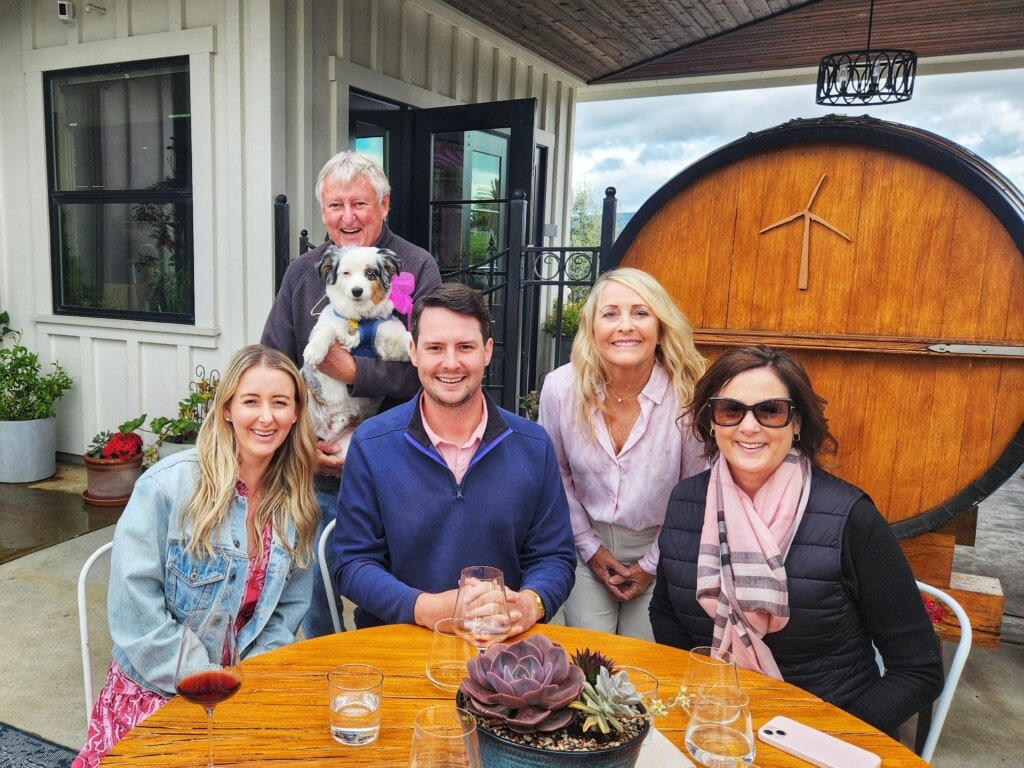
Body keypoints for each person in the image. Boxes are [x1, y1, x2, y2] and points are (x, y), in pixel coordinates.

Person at [650, 344, 944, 736]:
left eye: (770, 411)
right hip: (717, 723)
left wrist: (829, 737)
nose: (749, 426)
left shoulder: (850, 517)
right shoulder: (687, 502)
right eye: (730, 409)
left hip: (825, 731)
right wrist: (699, 695)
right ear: (712, 421)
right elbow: (666, 613)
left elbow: (918, 668)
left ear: (798, 422)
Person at [73, 345, 320, 768]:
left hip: (242, 691)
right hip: (159, 690)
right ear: (226, 409)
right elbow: (136, 615)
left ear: (296, 413)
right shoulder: (168, 488)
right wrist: (211, 681)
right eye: (250, 401)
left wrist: (249, 683)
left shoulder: (294, 500)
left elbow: (287, 611)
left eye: (280, 402)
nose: (266, 417)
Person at [262, 150, 442, 637]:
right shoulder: (305, 273)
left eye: (359, 203)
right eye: (335, 206)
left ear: (384, 204)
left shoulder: (407, 271)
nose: (347, 217)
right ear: (322, 213)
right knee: (310, 591)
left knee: (389, 595)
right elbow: (274, 361)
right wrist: (298, 445)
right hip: (316, 465)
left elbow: (430, 370)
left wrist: (355, 372)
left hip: (393, 467)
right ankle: (327, 679)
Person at [333, 282, 576, 633]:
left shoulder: (533, 446)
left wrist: (531, 603)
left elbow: (554, 556)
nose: (451, 363)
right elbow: (353, 564)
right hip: (398, 637)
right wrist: (424, 608)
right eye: (435, 348)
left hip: (502, 642)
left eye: (465, 347)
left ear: (487, 351)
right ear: (414, 352)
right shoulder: (372, 444)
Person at [537, 268, 707, 640]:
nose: (625, 326)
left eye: (640, 313)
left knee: (642, 666)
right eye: (610, 313)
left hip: (664, 548)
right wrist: (591, 549)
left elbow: (696, 493)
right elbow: (555, 477)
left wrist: (651, 564)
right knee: (588, 660)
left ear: (660, 326)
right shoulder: (561, 388)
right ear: (592, 327)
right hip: (584, 543)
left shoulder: (688, 396)